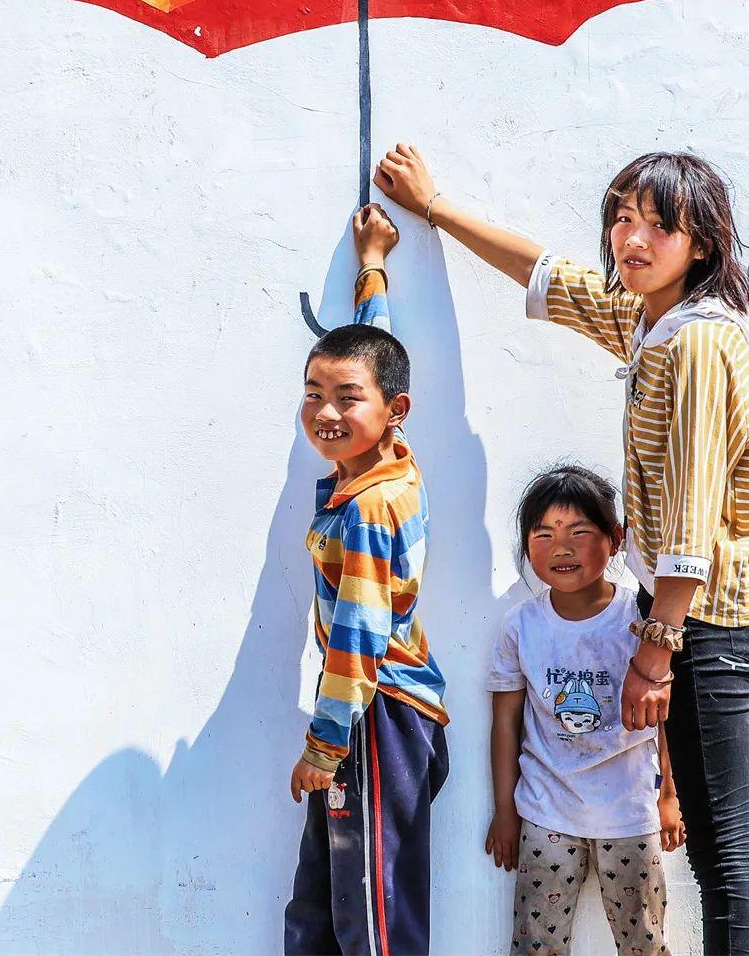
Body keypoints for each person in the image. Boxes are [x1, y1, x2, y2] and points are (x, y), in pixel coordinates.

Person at [375, 145, 749, 956]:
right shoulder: (653, 322)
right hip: (732, 617)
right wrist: (435, 207)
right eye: (622, 218)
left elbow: (691, 511)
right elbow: (548, 274)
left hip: (704, 625)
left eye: (659, 225)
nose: (632, 239)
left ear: (701, 243)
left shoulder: (695, 344)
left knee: (725, 857)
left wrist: (657, 650)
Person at [284, 204, 450, 956]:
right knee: (324, 903)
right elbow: (374, 353)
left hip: (375, 715)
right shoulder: (383, 459)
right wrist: (373, 266)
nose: (326, 410)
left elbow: (357, 637)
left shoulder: (369, 508)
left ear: (392, 411)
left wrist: (324, 747)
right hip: (365, 715)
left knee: (373, 916)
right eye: (312, 392)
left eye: (345, 398)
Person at [485, 464, 684, 956]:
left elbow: (668, 718)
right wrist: (505, 811)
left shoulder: (642, 621)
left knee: (645, 943)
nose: (561, 549)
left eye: (578, 533)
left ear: (615, 539)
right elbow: (506, 723)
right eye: (544, 535)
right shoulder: (521, 626)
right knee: (536, 946)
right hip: (546, 812)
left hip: (630, 813)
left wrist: (670, 797)